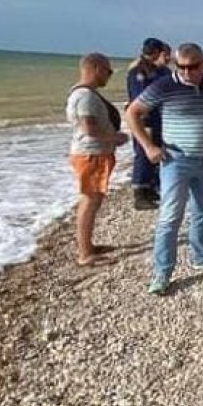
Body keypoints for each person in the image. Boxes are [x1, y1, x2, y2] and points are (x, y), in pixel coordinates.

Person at [126, 42, 203, 296]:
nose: (186, 72)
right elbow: (132, 113)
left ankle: (201, 256)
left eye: (192, 67)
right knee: (170, 218)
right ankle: (162, 273)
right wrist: (149, 147)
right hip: (175, 161)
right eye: (180, 67)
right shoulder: (164, 85)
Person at [66, 52, 129, 266]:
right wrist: (115, 136)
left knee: (93, 199)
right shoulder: (85, 96)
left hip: (94, 152)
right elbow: (88, 128)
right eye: (108, 71)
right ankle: (85, 253)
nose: (109, 75)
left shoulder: (84, 94)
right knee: (89, 200)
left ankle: (88, 245)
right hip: (91, 153)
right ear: (95, 69)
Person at [125, 37, 171, 209]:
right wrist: (144, 124)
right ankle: (140, 192)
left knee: (156, 153)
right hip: (144, 120)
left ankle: (150, 187)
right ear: (157, 53)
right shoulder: (139, 71)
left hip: (159, 118)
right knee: (143, 153)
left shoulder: (159, 70)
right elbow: (139, 100)